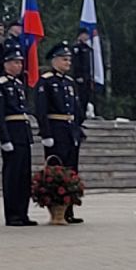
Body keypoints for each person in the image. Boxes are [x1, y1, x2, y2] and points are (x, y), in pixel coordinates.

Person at [0, 41, 39, 227]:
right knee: (12, 176)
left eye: (20, 62)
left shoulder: (19, 85)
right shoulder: (0, 85)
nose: (18, 66)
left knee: (24, 175)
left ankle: (23, 212)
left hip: (23, 134)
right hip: (11, 133)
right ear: (6, 64)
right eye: (15, 62)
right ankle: (12, 214)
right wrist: (5, 138)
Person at [36, 43, 84, 222]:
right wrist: (46, 134)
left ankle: (69, 210)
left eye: (69, 59)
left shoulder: (69, 82)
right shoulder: (46, 81)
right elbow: (41, 110)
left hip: (70, 130)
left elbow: (76, 108)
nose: (68, 62)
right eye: (65, 59)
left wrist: (78, 128)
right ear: (55, 60)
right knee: (57, 170)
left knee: (72, 170)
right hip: (56, 130)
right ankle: (56, 211)